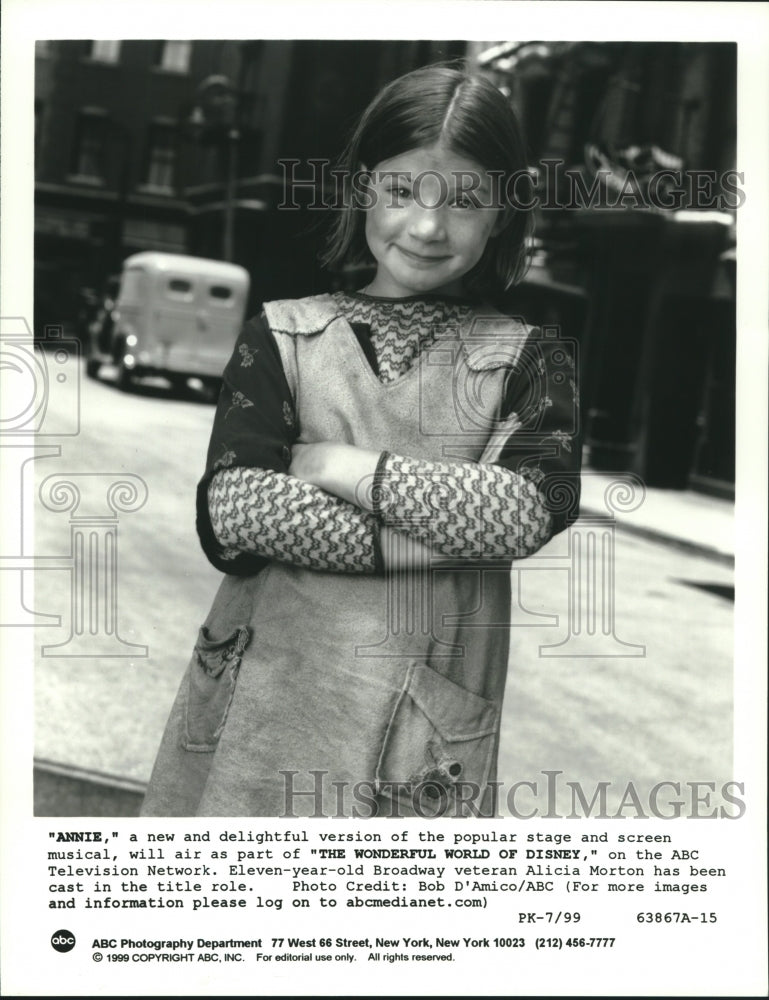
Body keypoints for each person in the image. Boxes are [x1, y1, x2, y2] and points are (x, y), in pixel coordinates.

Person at [141, 63, 581, 819]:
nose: (427, 227)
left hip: (416, 735)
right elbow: (238, 513)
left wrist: (338, 465)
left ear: (504, 213)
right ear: (361, 190)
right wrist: (441, 530)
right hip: (260, 702)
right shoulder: (281, 336)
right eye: (402, 190)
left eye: (466, 200)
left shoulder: (532, 360)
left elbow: (520, 513)